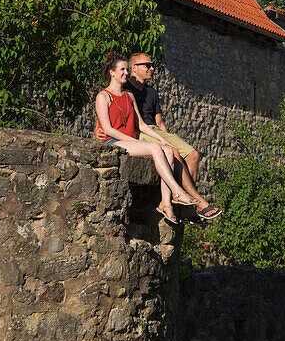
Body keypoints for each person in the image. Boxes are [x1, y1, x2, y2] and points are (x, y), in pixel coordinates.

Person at [94, 53, 207, 227]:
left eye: (126, 69)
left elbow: (141, 125)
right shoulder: (103, 96)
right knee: (155, 149)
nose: (125, 73)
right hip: (112, 142)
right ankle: (178, 191)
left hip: (130, 143)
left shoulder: (129, 97)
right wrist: (139, 143)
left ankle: (166, 204)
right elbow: (108, 129)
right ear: (112, 73)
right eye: (122, 69)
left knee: (168, 151)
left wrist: (163, 140)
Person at [126, 51, 220, 222]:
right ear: (134, 68)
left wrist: (166, 136)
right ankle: (197, 203)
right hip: (141, 131)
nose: (152, 68)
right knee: (174, 152)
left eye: (152, 64)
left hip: (155, 129)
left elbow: (159, 121)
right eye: (147, 65)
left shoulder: (151, 92)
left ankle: (185, 208)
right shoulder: (127, 89)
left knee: (193, 155)